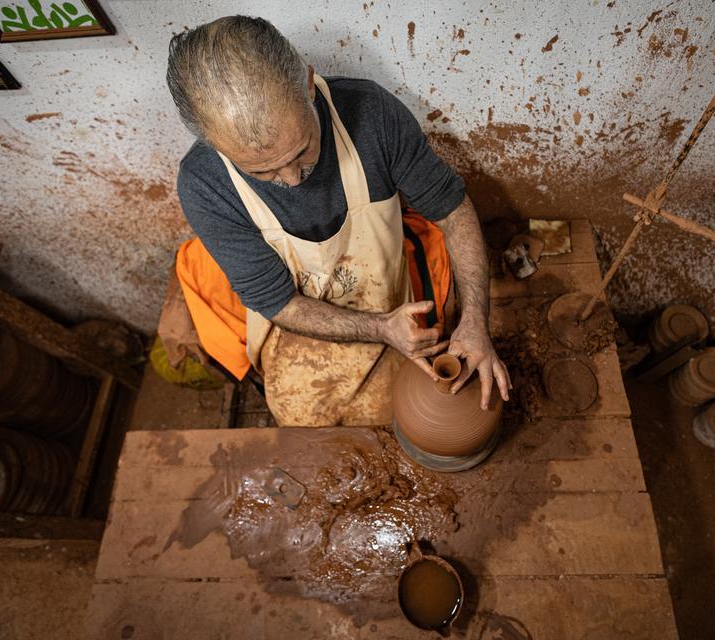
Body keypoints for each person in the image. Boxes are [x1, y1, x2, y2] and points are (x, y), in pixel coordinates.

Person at [166, 16, 509, 426]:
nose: (292, 180)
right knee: (298, 417)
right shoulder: (204, 182)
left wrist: (475, 320)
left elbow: (452, 212)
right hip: (298, 316)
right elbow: (277, 302)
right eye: (263, 172)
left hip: (388, 295)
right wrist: (380, 329)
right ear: (211, 140)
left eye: (301, 151)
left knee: (398, 416)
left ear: (308, 85)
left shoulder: (371, 114)